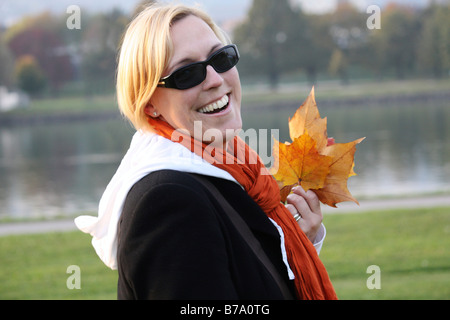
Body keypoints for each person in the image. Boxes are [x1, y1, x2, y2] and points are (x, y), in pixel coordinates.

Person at [75, 3, 337, 300]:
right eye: (186, 73)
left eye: (220, 57)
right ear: (149, 104)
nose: (215, 79)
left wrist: (297, 242)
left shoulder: (233, 171)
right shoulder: (168, 203)